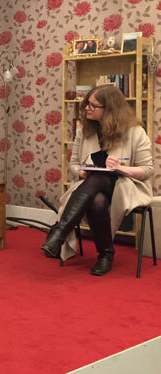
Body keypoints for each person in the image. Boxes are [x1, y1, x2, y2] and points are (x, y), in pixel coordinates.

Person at [40, 85, 153, 275]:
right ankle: (105, 255)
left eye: (92, 105)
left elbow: (147, 170)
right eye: (87, 104)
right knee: (97, 199)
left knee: (100, 178)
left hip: (125, 186)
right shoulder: (84, 130)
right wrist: (80, 173)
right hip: (91, 189)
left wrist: (120, 168)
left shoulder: (135, 132)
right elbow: (73, 164)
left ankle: (60, 232)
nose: (86, 109)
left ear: (109, 109)